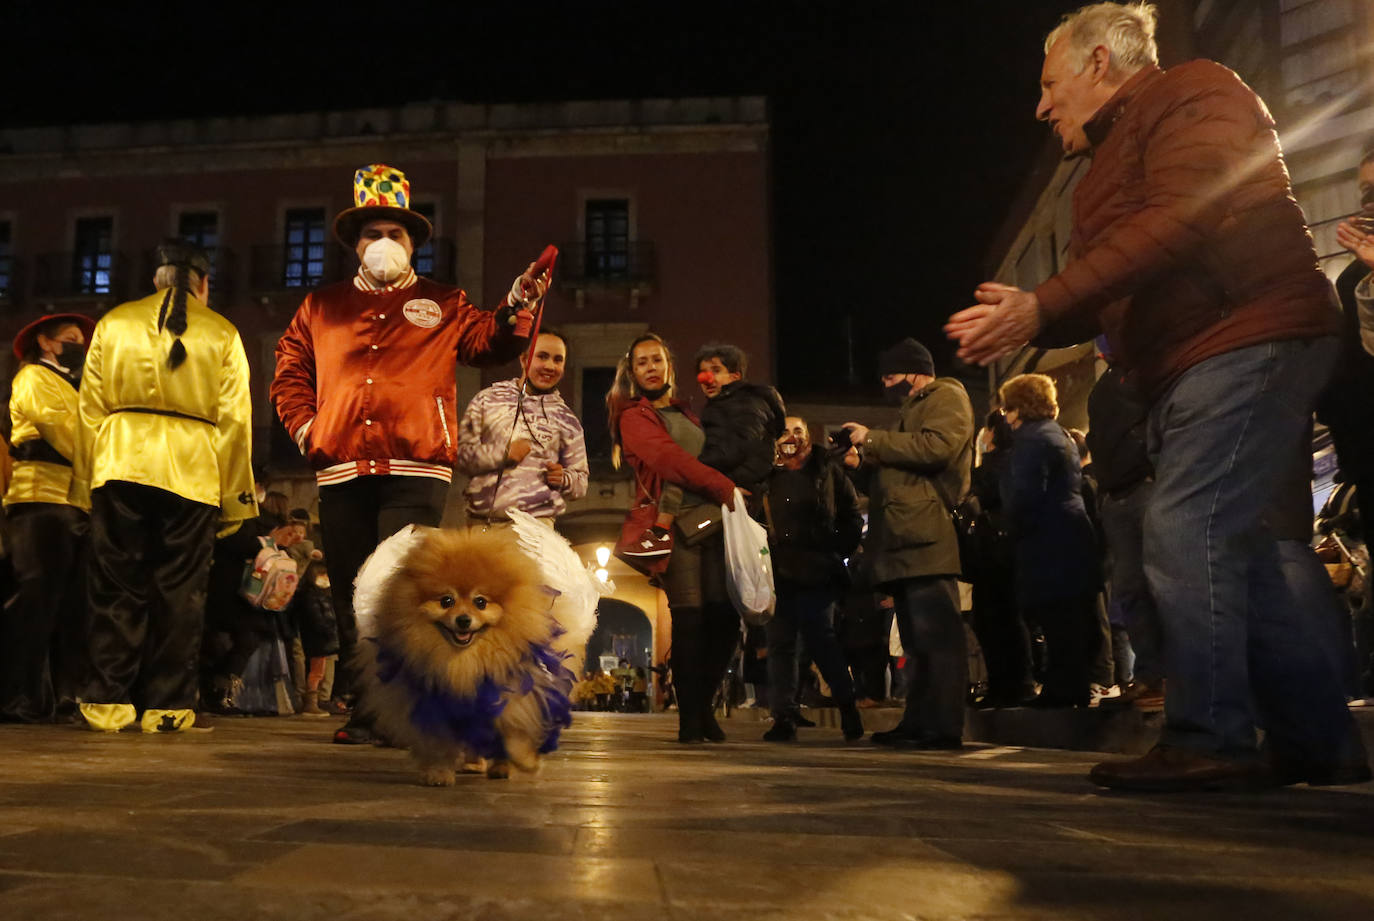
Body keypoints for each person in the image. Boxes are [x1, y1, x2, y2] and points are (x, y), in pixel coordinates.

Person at [945, 2, 1369, 789]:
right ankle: (1317, 740)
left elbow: (1184, 216)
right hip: (1200, 354)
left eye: (1049, 83)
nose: (1040, 105)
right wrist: (1035, 312)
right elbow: (1115, 274)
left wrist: (1041, 305)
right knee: (1249, 546)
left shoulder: (1193, 93)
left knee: (1187, 523)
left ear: (1099, 63)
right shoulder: (1100, 168)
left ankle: (1211, 733)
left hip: (1248, 333)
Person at [271, 163, 540, 744]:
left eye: (396, 234)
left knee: (401, 590)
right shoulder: (321, 308)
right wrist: (307, 431)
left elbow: (490, 343)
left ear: (414, 242)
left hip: (416, 468)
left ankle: (411, 708)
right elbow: (289, 372)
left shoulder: (445, 302)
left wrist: (519, 304)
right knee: (350, 590)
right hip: (341, 467)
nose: (384, 243)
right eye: (372, 234)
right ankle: (368, 710)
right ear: (354, 245)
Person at [71, 239, 256, 734]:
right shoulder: (224, 332)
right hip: (192, 469)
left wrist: (82, 486)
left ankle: (106, 701)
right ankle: (168, 705)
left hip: (118, 461)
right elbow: (236, 423)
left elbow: (88, 410)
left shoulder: (114, 322)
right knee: (182, 591)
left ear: (156, 279)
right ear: (204, 283)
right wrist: (237, 499)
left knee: (114, 585)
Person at [841, 337, 974, 750]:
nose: (886, 382)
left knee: (938, 637)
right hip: (905, 535)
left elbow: (938, 447)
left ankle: (944, 725)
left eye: (891, 373)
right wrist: (861, 466)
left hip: (926, 534)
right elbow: (901, 471)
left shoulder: (946, 395)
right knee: (917, 642)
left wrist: (873, 440)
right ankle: (919, 720)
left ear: (916, 370)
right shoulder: (911, 408)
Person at [607, 333, 737, 742]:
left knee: (725, 618)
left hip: (711, 522)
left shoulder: (689, 414)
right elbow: (670, 461)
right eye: (642, 362)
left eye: (657, 360)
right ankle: (691, 720)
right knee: (691, 619)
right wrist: (725, 486)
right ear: (632, 372)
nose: (650, 367)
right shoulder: (634, 416)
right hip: (672, 525)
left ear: (668, 367)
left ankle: (703, 705)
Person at [0, 312, 94, 722]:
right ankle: (15, 694)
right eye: (70, 337)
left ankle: (63, 695)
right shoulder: (34, 379)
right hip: (39, 498)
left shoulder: (79, 386)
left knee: (73, 604)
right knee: (36, 600)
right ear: (46, 342)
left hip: (75, 499)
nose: (79, 345)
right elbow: (63, 430)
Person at [998, 374, 1101, 708]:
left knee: (1057, 617)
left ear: (1019, 407)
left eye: (1007, 408)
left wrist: (1010, 529)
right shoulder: (1059, 435)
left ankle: (1064, 689)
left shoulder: (1031, 439)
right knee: (1071, 616)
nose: (1005, 415)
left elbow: (1026, 494)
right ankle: (1074, 685)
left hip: (1048, 538)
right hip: (1070, 532)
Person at [627, 341, 784, 558]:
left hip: (743, 479)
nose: (706, 378)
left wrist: (702, 466)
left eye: (716, 371)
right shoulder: (723, 404)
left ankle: (660, 531)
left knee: (683, 470)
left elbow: (739, 444)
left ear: (735, 376)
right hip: (733, 478)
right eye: (702, 372)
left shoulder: (745, 403)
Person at [761, 416, 865, 742]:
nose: (791, 437)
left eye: (798, 431)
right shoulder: (767, 476)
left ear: (807, 436)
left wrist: (834, 547)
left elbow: (850, 513)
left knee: (822, 639)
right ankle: (784, 715)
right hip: (778, 572)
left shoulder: (826, 469)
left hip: (817, 570)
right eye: (785, 431)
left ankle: (848, 707)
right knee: (781, 645)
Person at [457, 328, 588, 527]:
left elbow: (581, 483)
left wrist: (563, 479)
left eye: (558, 360)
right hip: (481, 526)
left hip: (536, 529)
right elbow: (460, 457)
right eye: (542, 357)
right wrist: (504, 454)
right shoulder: (487, 400)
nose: (550, 366)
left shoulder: (568, 419)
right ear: (524, 359)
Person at [967, 410, 1034, 708]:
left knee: (995, 618)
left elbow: (982, 495)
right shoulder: (1016, 459)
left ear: (992, 432)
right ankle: (1013, 684)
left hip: (994, 548)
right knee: (1004, 617)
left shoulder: (995, 464)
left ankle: (1009, 684)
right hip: (1006, 548)